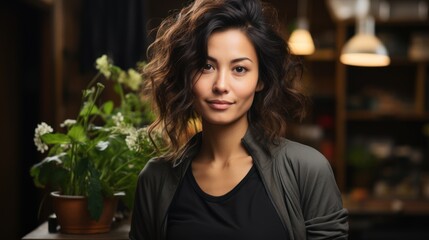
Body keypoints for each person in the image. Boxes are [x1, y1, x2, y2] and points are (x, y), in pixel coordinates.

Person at [129, 0, 348, 239]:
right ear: (186, 74)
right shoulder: (155, 179)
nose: (221, 85)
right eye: (206, 66)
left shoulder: (307, 170)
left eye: (239, 69)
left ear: (260, 80)